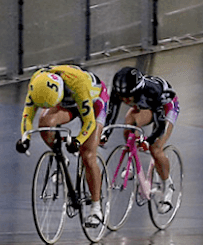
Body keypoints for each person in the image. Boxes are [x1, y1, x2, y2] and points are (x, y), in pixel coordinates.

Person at [15, 64, 110, 228]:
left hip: (94, 102)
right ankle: (61, 158)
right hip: (68, 102)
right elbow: (27, 115)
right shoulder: (37, 82)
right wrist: (26, 138)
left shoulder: (78, 84)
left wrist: (78, 141)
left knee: (87, 155)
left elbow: (89, 122)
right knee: (45, 122)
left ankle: (96, 208)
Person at [101, 66, 179, 213]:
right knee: (129, 122)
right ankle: (132, 158)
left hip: (166, 107)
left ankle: (168, 186)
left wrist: (148, 141)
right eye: (121, 96)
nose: (124, 99)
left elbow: (160, 126)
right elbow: (111, 115)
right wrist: (105, 134)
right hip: (145, 105)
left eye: (128, 96)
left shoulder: (152, 92)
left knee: (155, 148)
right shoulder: (119, 91)